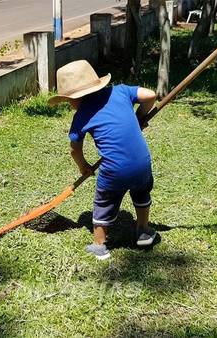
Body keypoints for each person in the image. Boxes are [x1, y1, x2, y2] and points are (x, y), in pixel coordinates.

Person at [49, 60, 158, 260]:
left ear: (75, 99)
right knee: (141, 193)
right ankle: (143, 231)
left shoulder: (81, 116)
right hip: (143, 163)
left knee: (104, 201)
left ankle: (99, 245)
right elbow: (150, 95)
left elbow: (74, 149)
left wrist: (84, 167)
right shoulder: (121, 91)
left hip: (114, 170)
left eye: (68, 101)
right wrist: (139, 117)